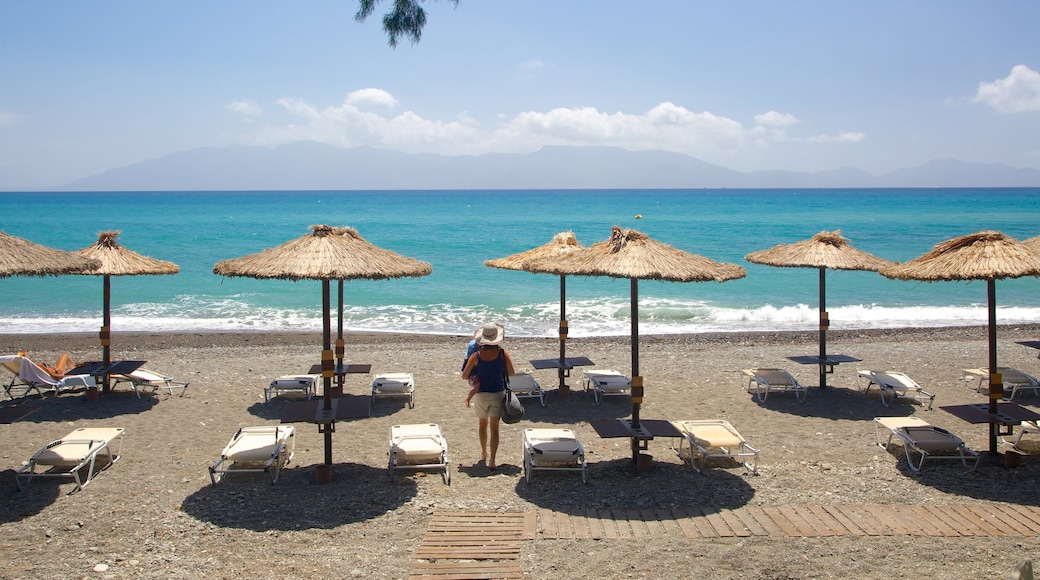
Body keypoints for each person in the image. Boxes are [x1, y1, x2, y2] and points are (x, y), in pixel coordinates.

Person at [461, 322, 515, 470]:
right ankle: (492, 460)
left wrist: (478, 375)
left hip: (481, 394)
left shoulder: (475, 356)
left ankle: (484, 452)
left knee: (482, 424)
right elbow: (511, 373)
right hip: (498, 392)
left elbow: (465, 376)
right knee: (495, 428)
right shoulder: (503, 354)